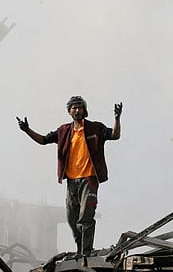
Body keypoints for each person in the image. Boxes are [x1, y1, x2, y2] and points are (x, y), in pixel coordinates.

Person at [17, 96, 122, 256]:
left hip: (89, 179)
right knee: (72, 218)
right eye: (74, 108)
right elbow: (44, 140)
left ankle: (85, 252)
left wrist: (117, 118)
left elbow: (114, 135)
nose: (77, 110)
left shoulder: (95, 128)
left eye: (80, 107)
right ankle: (80, 250)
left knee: (85, 217)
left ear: (85, 110)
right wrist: (27, 130)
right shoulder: (63, 131)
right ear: (69, 111)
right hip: (71, 181)